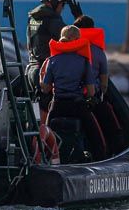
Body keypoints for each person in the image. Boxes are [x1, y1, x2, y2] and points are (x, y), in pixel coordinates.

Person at [40, 25, 107, 161]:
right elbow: (91, 92)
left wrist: (42, 78)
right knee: (97, 138)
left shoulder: (52, 61)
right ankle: (100, 160)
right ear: (77, 40)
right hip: (77, 106)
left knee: (45, 133)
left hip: (57, 106)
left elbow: (45, 89)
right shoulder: (83, 62)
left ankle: (44, 160)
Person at [72, 14, 126, 154]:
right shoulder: (98, 52)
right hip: (90, 99)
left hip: (62, 100)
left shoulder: (65, 52)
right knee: (111, 125)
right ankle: (114, 151)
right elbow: (104, 82)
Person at [27, 0, 77, 91]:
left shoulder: (34, 18)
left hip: (32, 69)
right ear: (54, 2)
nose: (62, 8)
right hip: (46, 73)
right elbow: (74, 40)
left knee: (38, 106)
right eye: (62, 4)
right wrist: (79, 19)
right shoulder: (52, 20)